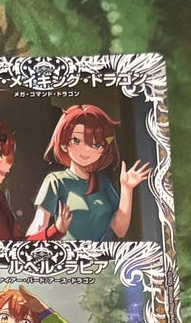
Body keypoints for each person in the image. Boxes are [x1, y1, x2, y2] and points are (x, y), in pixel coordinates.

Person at [28, 104, 153, 242]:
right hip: (69, 254)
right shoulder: (56, 181)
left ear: (103, 150)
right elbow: (39, 224)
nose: (87, 150)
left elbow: (120, 230)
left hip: (103, 254)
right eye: (76, 141)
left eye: (96, 144)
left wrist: (127, 189)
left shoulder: (103, 184)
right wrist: (27, 248)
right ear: (64, 144)